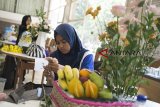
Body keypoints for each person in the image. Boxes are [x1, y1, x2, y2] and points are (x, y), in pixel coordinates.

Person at [1, 15, 31, 89]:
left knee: (24, 62)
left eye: (30, 20)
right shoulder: (22, 26)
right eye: (27, 20)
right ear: (24, 20)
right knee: (16, 63)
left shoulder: (29, 28)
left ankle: (22, 78)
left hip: (26, 48)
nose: (29, 21)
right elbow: (25, 29)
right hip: (19, 47)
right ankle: (14, 78)